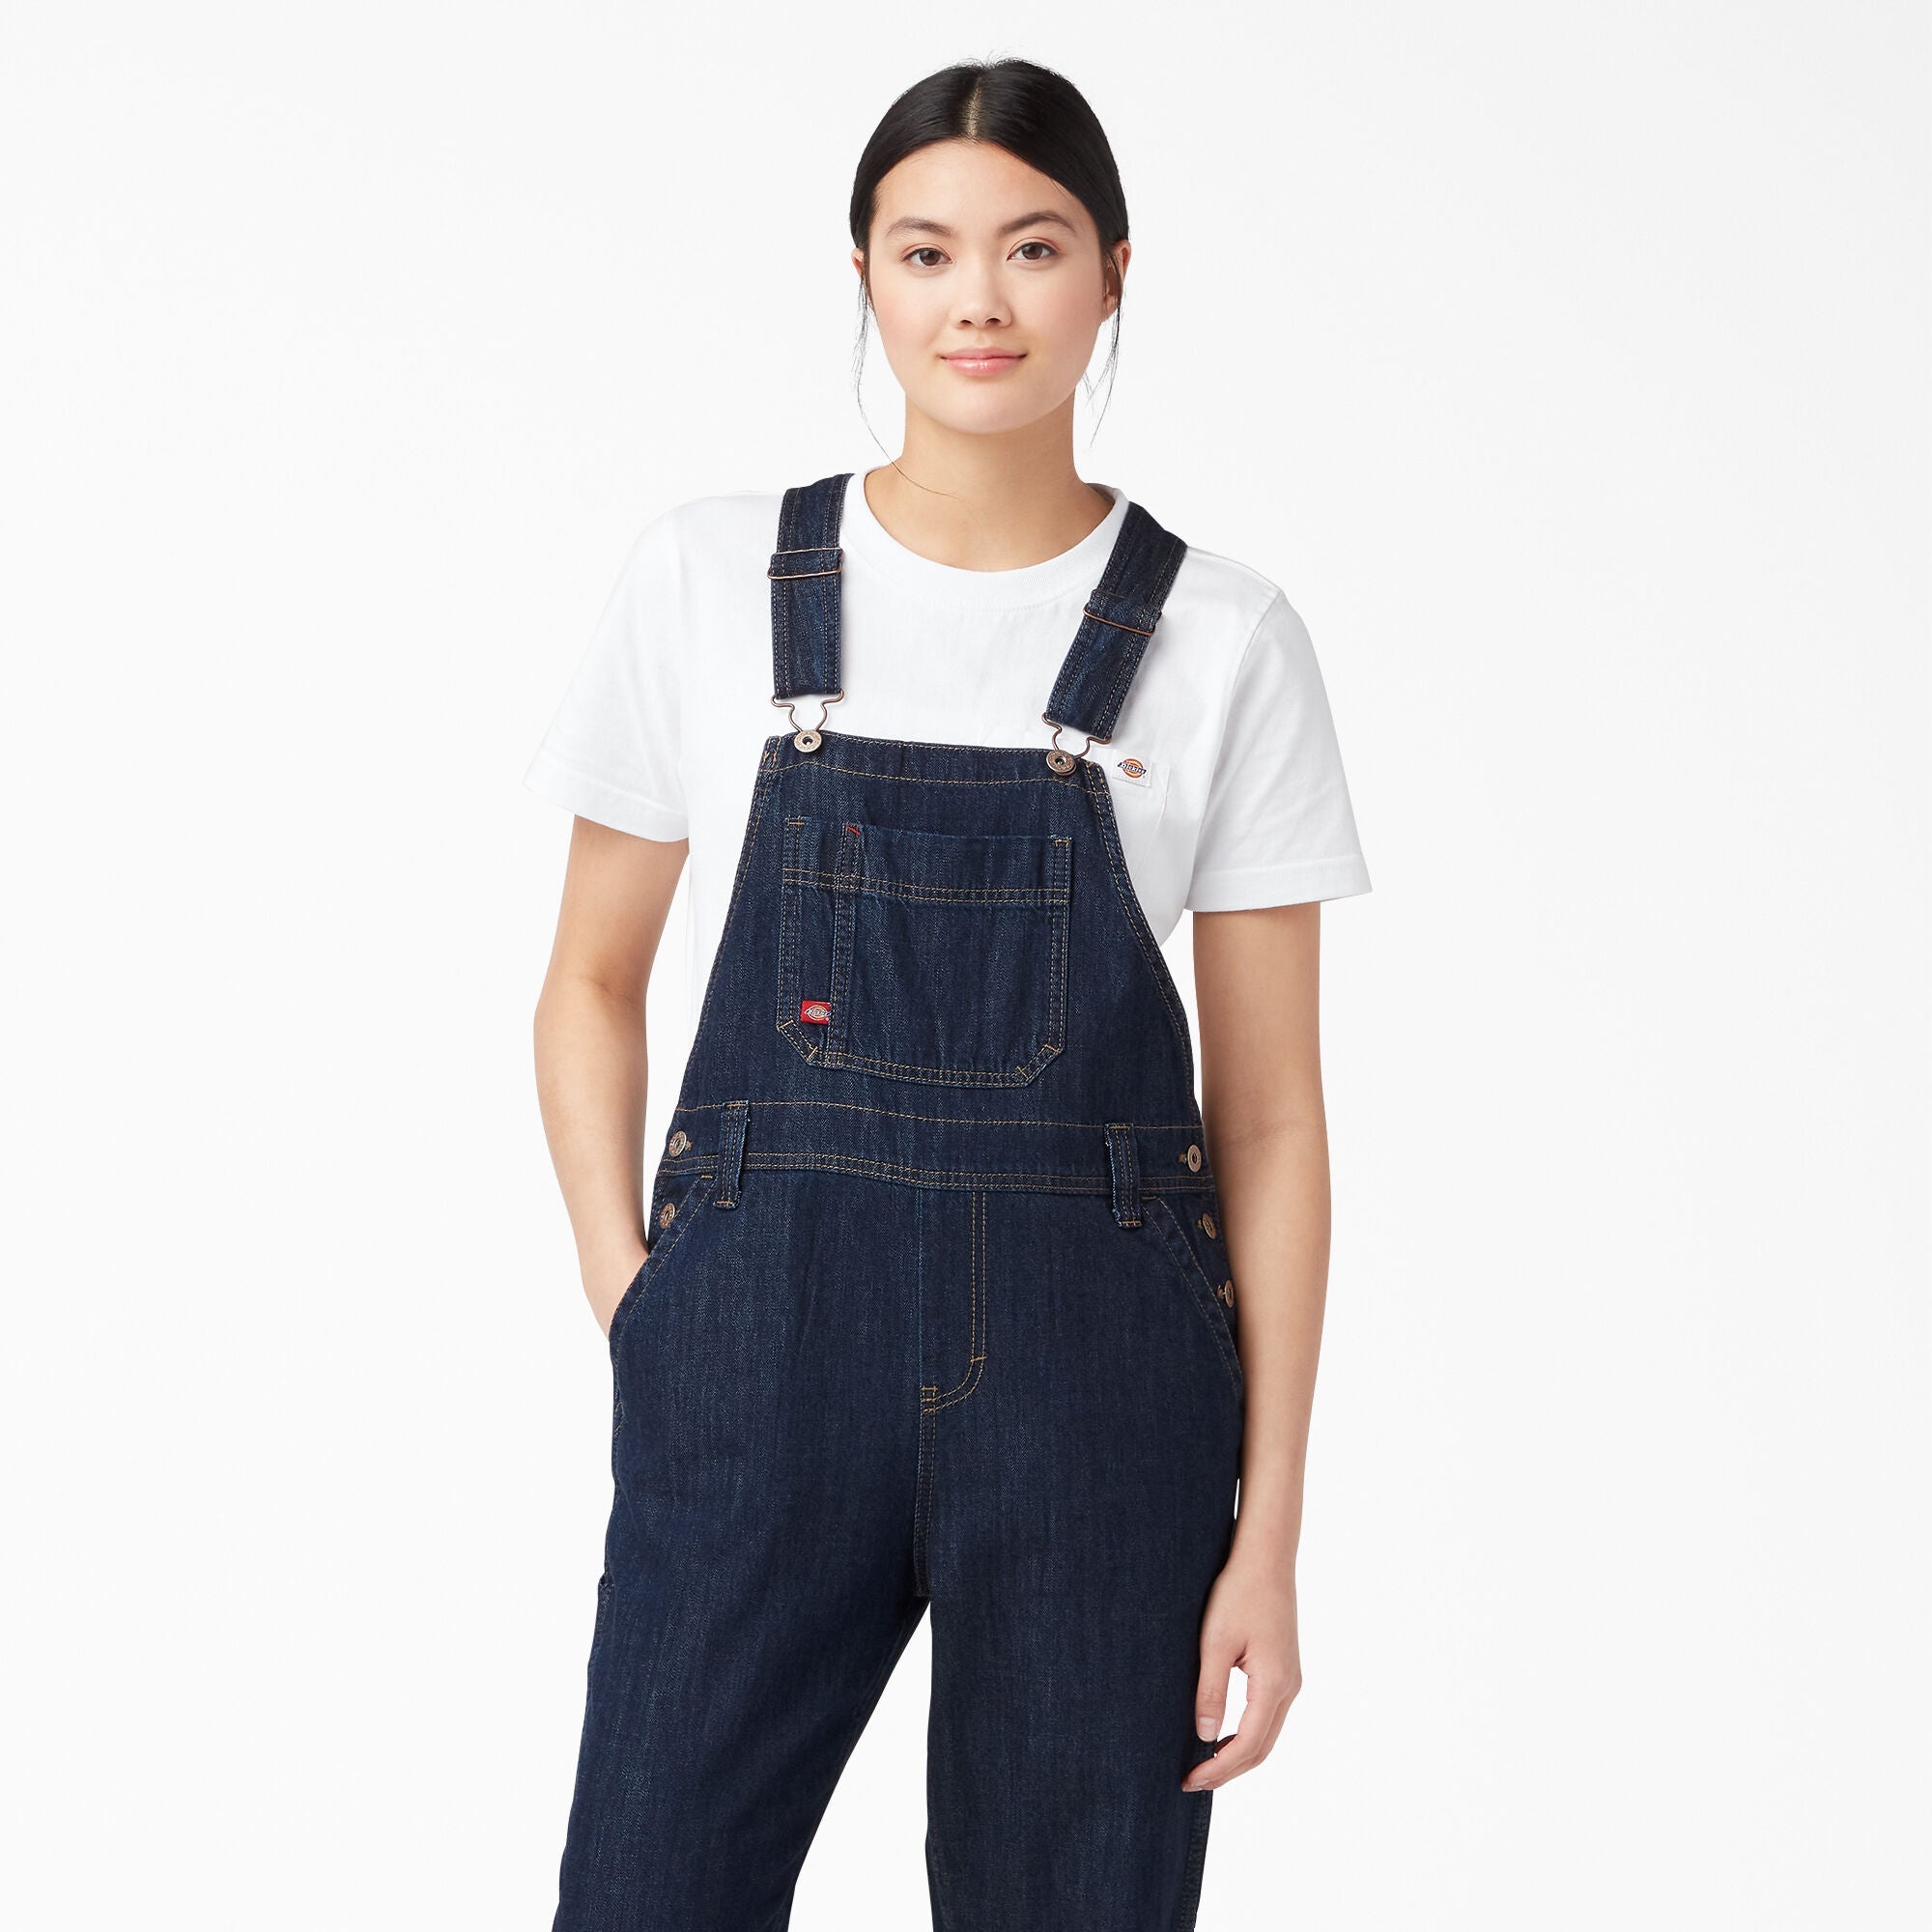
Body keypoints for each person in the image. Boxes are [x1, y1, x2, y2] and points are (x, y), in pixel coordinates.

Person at [526, 56, 1372, 1932]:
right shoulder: (707, 580)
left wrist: (1271, 1526)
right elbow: (587, 979)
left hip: (1101, 1396)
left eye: (1032, 247)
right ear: (865, 275)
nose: (978, 299)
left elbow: (1269, 1117)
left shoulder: (1226, 637)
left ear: (1115, 273)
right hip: (754, 1358)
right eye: (926, 251)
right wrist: (638, 1301)